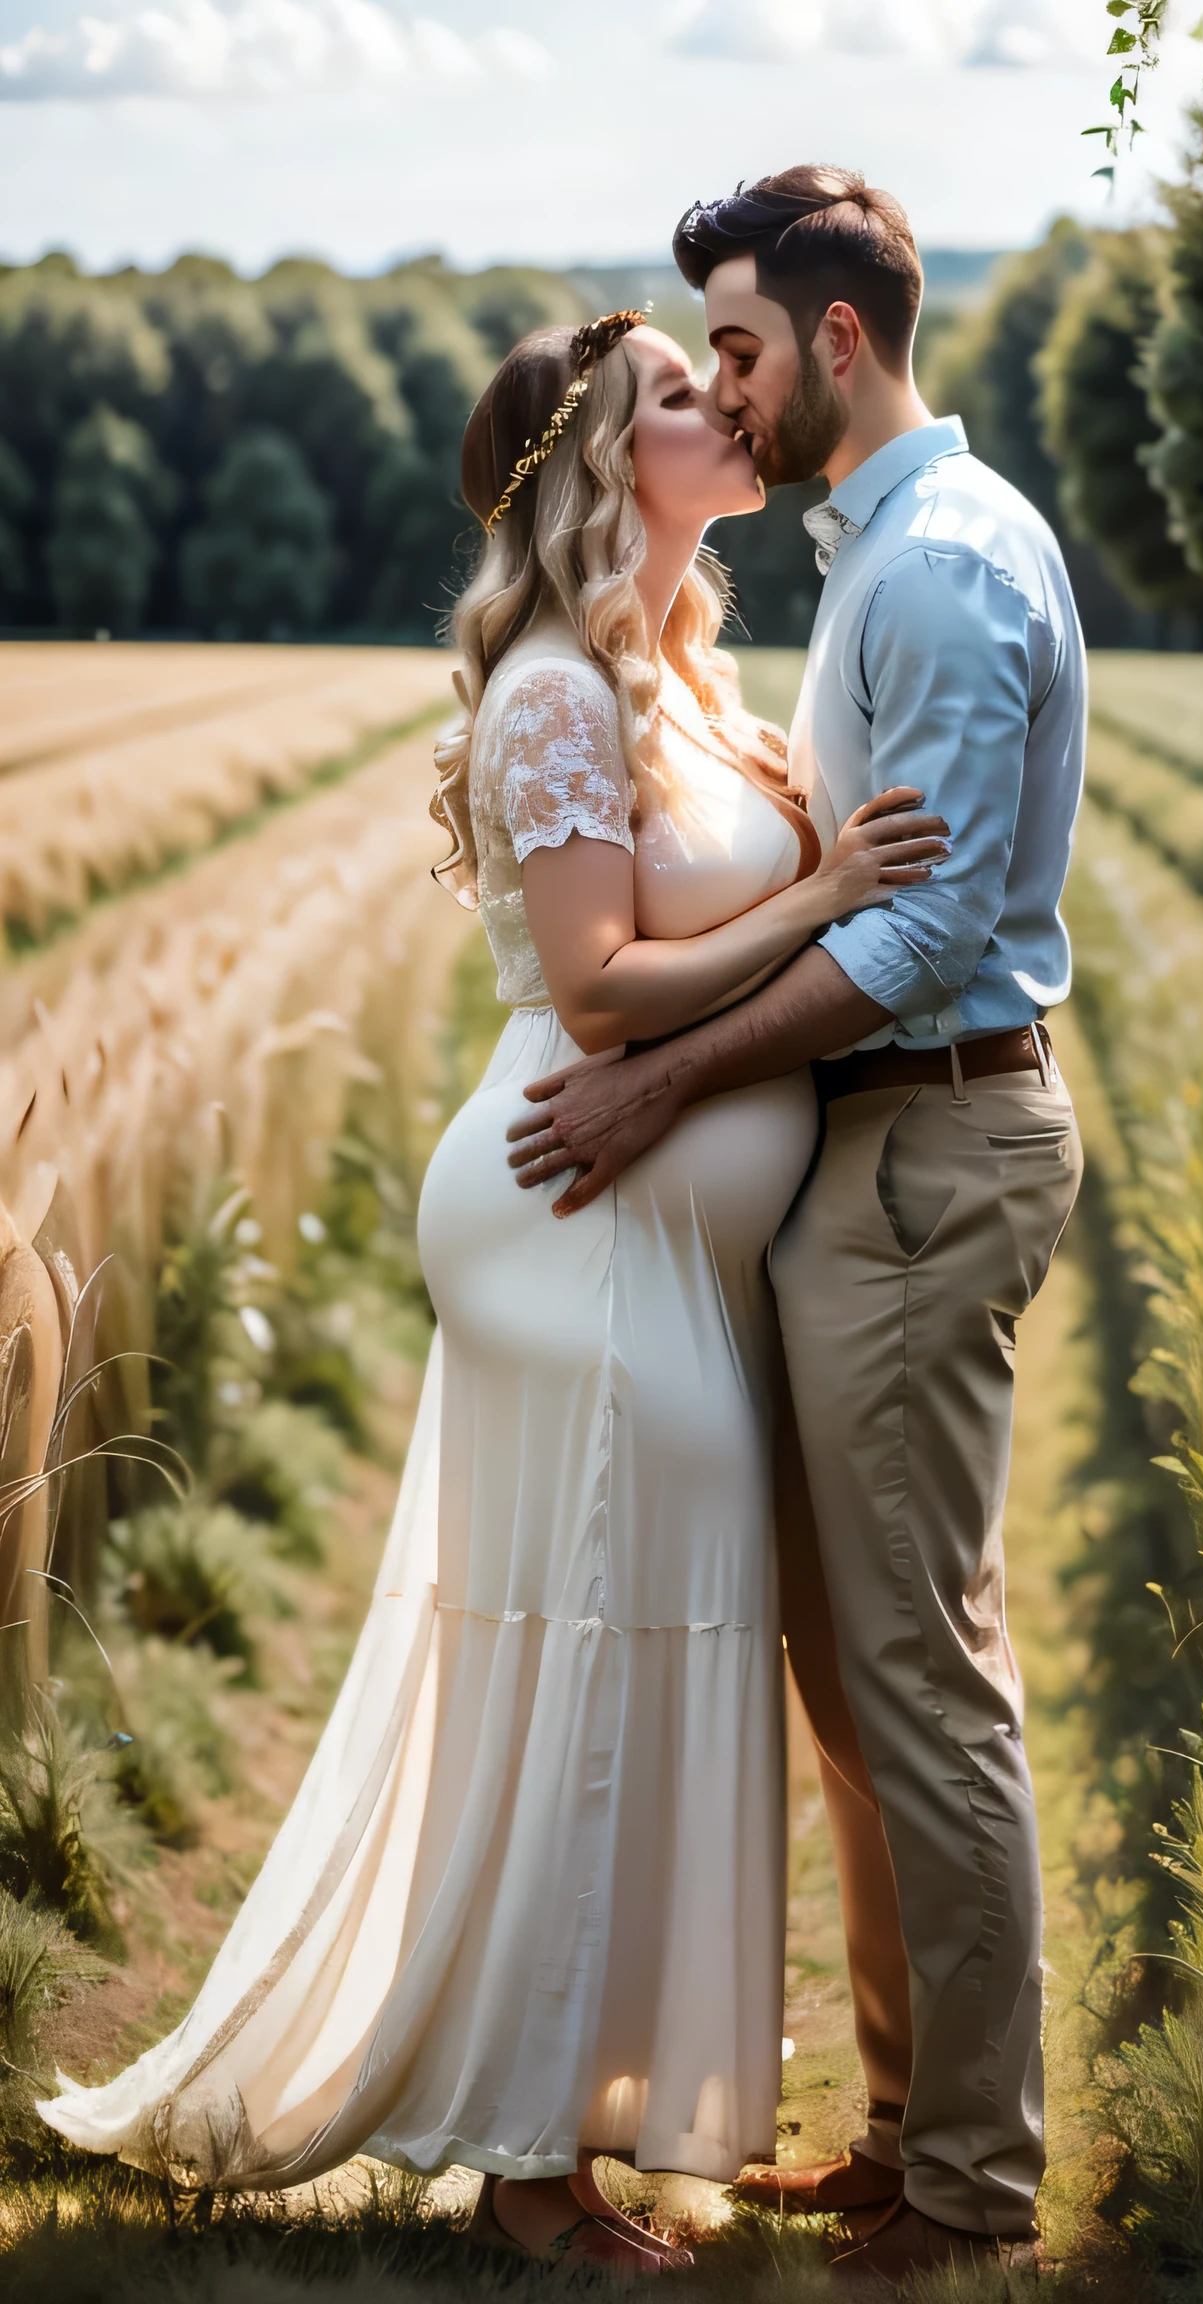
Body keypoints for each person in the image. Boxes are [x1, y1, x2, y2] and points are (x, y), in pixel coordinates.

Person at [37, 307, 947, 2279]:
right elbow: (604, 984)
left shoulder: (688, 677)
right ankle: (532, 2172)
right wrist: (822, 896)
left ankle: (580, 2115)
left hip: (660, 1244)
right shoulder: (551, 691)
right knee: (605, 1638)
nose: (730, 404)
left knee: (646, 1635)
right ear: (611, 465)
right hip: (569, 1219)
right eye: (684, 397)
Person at [506, 169, 1087, 2289]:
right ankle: (910, 2120)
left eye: (738, 350)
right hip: (890, 1154)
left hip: (928, 1151)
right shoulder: (890, 549)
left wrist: (657, 1079)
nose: (726, 395)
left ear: (837, 341)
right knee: (865, 1684)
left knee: (917, 1684)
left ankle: (967, 2188)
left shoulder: (928, 575)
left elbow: (926, 922)